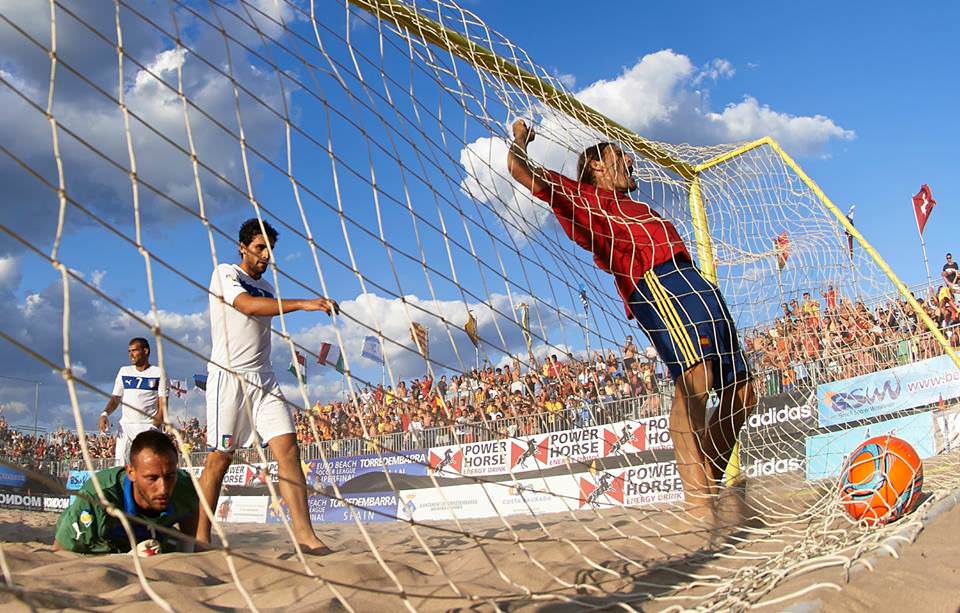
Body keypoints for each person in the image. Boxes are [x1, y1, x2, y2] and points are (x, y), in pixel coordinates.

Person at [507, 120, 755, 521]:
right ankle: (698, 504)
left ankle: (709, 482)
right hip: (654, 280)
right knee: (696, 377)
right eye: (619, 155)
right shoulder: (582, 197)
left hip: (691, 277)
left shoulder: (638, 205)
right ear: (598, 167)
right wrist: (520, 136)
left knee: (744, 391)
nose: (630, 160)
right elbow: (518, 168)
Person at [198, 218, 338, 554]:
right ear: (243, 247)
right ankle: (200, 538)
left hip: (264, 377)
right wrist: (305, 303)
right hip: (228, 377)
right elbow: (246, 306)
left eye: (270, 250)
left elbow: (262, 306)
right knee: (220, 459)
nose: (265, 256)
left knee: (289, 448)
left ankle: (305, 536)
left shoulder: (270, 288)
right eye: (260, 248)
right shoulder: (225, 273)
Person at [53, 430, 198, 554]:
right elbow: (61, 552)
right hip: (104, 545)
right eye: (152, 478)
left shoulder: (185, 489)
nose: (164, 489)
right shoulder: (98, 496)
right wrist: (126, 558)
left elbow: (194, 538)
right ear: (131, 472)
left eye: (169, 476)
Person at [99, 337, 168, 465]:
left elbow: (163, 408)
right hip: (126, 427)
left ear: (145, 351)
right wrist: (105, 414)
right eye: (129, 351)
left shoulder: (158, 373)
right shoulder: (124, 371)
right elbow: (115, 399)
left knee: (147, 467)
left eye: (134, 350)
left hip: (148, 427)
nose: (131, 354)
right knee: (120, 468)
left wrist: (153, 429)